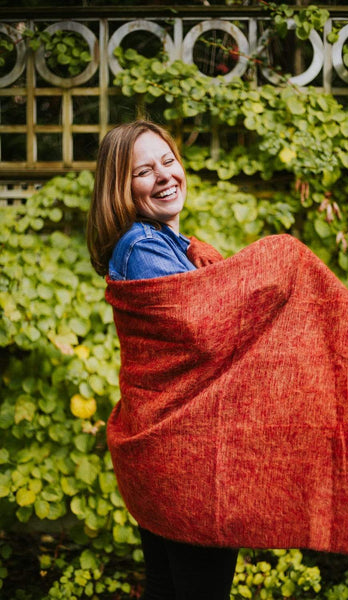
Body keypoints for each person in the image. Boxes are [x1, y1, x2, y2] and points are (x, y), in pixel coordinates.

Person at [87, 119, 239, 600]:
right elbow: (213, 336)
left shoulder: (176, 246)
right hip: (187, 463)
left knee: (169, 587)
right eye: (144, 171)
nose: (164, 175)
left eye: (168, 161)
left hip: (172, 454)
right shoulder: (142, 247)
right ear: (121, 188)